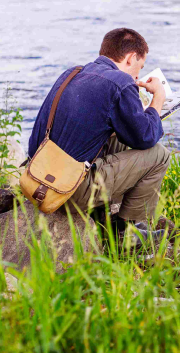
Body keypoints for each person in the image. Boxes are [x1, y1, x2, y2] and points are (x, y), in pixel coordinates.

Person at [27, 28, 171, 239]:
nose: (138, 76)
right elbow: (146, 137)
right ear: (131, 58)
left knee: (119, 138)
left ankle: (102, 217)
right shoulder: (121, 83)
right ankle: (126, 235)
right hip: (66, 190)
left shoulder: (72, 73)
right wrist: (158, 98)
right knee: (159, 155)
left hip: (36, 180)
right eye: (140, 67)